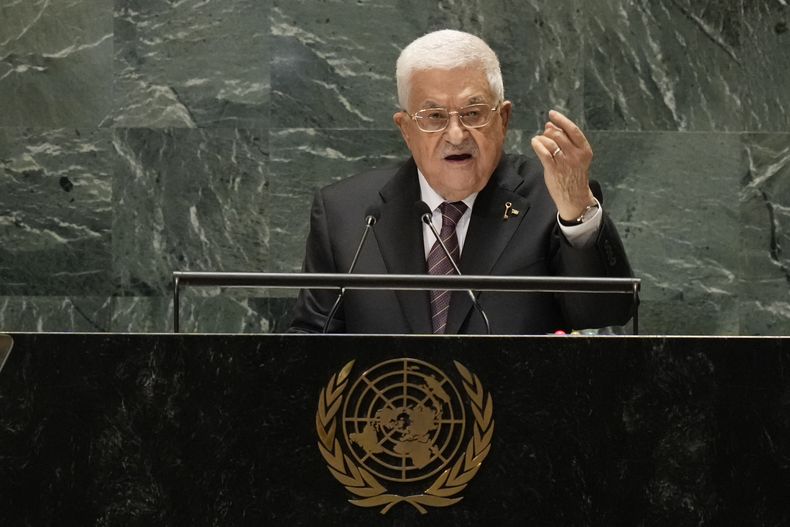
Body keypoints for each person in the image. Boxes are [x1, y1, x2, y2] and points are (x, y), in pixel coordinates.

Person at [289, 29, 633, 334]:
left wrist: (576, 208)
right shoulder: (346, 213)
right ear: (406, 130)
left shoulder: (551, 199)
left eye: (473, 113)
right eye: (434, 116)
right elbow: (312, 342)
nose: (456, 134)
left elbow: (606, 311)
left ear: (503, 119)